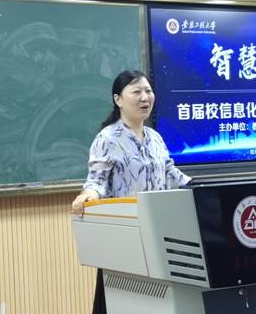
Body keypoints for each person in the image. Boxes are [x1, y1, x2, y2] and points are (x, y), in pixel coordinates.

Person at [71, 69, 191, 314]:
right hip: (125, 236)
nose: (145, 97)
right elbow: (97, 180)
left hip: (160, 233)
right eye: (137, 92)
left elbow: (171, 174)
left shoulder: (155, 138)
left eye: (148, 91)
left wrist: (198, 188)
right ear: (118, 99)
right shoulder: (107, 138)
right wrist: (88, 195)